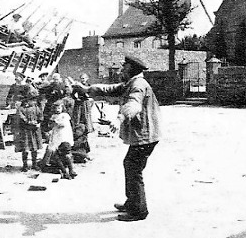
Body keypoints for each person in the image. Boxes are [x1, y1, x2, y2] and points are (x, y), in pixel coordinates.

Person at [84, 55, 161, 222]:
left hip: (145, 137)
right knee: (130, 166)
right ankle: (132, 203)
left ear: (131, 70)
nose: (121, 70)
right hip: (144, 135)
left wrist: (119, 119)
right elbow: (110, 90)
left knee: (133, 170)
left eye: (124, 68)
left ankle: (139, 211)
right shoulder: (130, 83)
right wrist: (87, 89)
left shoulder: (138, 85)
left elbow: (133, 104)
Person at [40, 101, 74, 177]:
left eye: (59, 108)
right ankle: (53, 163)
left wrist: (55, 122)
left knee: (63, 147)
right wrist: (51, 125)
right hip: (56, 134)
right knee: (53, 147)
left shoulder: (65, 115)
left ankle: (69, 167)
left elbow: (63, 124)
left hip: (63, 134)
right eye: (56, 108)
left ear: (62, 108)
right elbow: (50, 125)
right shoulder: (53, 116)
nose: (57, 110)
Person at [14, 88, 43, 171]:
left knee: (35, 148)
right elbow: (21, 118)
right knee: (25, 149)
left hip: (34, 131)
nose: (33, 102)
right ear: (27, 100)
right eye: (31, 100)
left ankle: (34, 164)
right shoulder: (22, 109)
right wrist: (28, 122)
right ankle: (25, 165)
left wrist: (38, 123)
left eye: (34, 100)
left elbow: (40, 117)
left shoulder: (36, 108)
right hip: (25, 131)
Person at [71, 73, 95, 163]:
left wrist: (90, 99)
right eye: (81, 78)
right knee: (77, 121)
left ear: (87, 79)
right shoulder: (77, 86)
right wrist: (76, 99)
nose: (83, 80)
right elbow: (73, 94)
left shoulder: (89, 86)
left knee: (86, 120)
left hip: (86, 104)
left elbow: (92, 95)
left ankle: (86, 129)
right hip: (79, 104)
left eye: (84, 78)